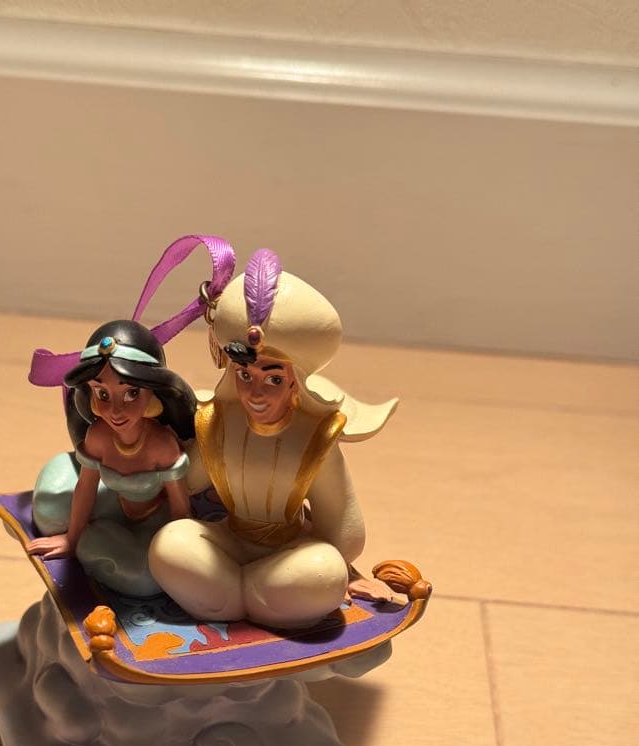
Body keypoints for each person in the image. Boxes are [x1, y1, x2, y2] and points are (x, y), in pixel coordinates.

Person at [147, 248, 405, 629]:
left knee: (326, 571)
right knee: (169, 543)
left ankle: (235, 600)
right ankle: (248, 601)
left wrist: (345, 572)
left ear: (295, 382)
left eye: (273, 379)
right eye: (245, 375)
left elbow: (343, 531)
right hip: (228, 541)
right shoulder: (218, 423)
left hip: (290, 552)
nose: (256, 393)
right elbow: (182, 483)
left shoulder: (314, 438)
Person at [27, 319, 196, 597]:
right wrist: (72, 538)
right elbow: (86, 486)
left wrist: (180, 552)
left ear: (153, 391)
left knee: (143, 579)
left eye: (131, 393)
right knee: (48, 511)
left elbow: (180, 511)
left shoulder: (163, 446)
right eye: (103, 393)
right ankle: (91, 538)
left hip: (153, 519)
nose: (115, 411)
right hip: (112, 503)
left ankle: (100, 541)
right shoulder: (98, 436)